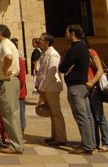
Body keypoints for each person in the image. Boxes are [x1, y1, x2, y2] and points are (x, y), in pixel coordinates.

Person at [59, 24, 95, 155]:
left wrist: (67, 68)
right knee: (87, 116)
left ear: (72, 33)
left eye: (67, 32)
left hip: (76, 87)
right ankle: (91, 142)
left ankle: (87, 146)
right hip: (83, 85)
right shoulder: (84, 47)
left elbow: (62, 67)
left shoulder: (74, 49)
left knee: (81, 117)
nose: (65, 34)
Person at [0, 24, 24, 154]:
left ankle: (16, 145)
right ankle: (17, 142)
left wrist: (6, 68)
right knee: (12, 114)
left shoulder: (5, 44)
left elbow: (9, 57)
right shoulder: (8, 44)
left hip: (6, 82)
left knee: (9, 114)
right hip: (9, 82)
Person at [34, 32, 67, 147]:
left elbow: (51, 72)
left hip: (51, 87)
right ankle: (54, 135)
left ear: (47, 42)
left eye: (41, 39)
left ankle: (61, 137)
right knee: (52, 113)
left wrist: (42, 87)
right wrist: (38, 84)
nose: (39, 41)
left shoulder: (54, 54)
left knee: (56, 112)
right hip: (46, 87)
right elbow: (41, 71)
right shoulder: (44, 53)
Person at [85, 38, 108, 152]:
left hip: (94, 88)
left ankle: (106, 142)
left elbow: (100, 70)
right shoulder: (78, 54)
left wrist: (92, 82)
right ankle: (95, 142)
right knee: (91, 117)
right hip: (85, 88)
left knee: (99, 116)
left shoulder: (91, 52)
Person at [11, 38, 27, 133]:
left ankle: (21, 135)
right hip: (15, 92)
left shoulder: (18, 59)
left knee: (20, 115)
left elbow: (22, 78)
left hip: (18, 92)